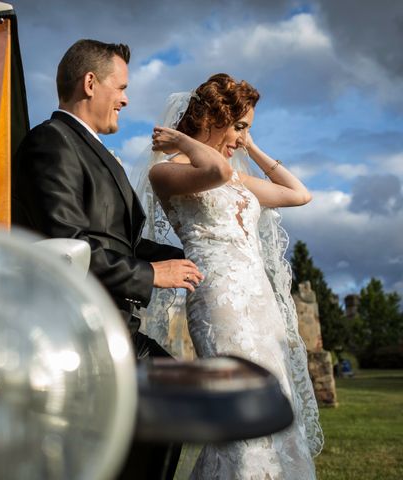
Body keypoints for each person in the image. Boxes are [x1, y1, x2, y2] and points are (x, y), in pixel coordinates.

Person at [12, 39, 203, 479]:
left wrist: (197, 256)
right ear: (90, 82)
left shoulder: (94, 151)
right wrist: (150, 274)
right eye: (121, 86)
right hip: (78, 329)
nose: (126, 98)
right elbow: (66, 243)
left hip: (109, 323)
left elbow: (125, 243)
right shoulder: (51, 142)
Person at [137, 73, 324, 479]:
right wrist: (186, 141)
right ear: (211, 118)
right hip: (220, 302)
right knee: (239, 413)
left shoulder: (237, 176)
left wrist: (250, 143)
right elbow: (217, 173)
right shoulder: (166, 173)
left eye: (247, 129)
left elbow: (298, 194)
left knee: (274, 403)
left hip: (260, 302)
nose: (241, 138)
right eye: (238, 126)